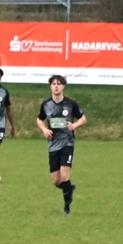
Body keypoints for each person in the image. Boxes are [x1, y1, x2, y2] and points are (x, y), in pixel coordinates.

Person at [36, 75, 86, 216]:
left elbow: (83, 118)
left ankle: (67, 208)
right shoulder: (46, 104)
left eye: (59, 84)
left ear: (63, 86)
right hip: (53, 145)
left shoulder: (70, 104)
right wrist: (44, 130)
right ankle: (69, 188)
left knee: (64, 175)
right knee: (56, 181)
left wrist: (74, 125)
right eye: (54, 84)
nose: (56, 86)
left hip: (67, 143)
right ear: (50, 87)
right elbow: (39, 120)